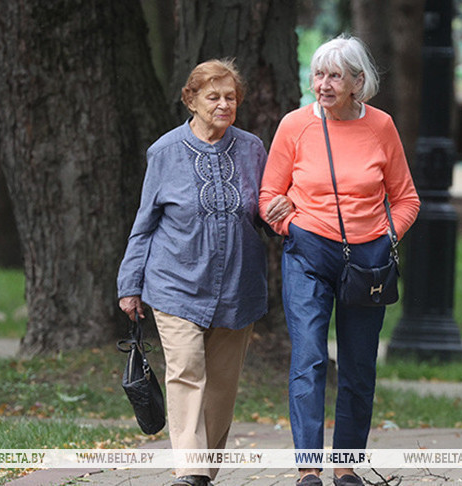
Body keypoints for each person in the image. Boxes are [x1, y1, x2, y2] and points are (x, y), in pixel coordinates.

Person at [117, 59, 292, 486]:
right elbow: (145, 223)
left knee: (222, 387)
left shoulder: (252, 149)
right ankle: (191, 471)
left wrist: (279, 212)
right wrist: (130, 284)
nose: (223, 104)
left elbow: (263, 212)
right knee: (186, 372)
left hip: (237, 287)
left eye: (231, 97)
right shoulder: (164, 152)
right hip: (176, 283)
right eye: (213, 97)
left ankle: (203, 472)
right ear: (191, 100)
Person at [259, 35, 421, 486]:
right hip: (308, 252)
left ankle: (346, 466)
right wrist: (287, 223)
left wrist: (386, 237)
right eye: (318, 75)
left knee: (358, 365)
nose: (324, 85)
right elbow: (268, 195)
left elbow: (406, 199)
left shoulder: (381, 126)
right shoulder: (294, 125)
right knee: (309, 358)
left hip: (367, 259)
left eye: (334, 76)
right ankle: (308, 468)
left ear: (357, 82)